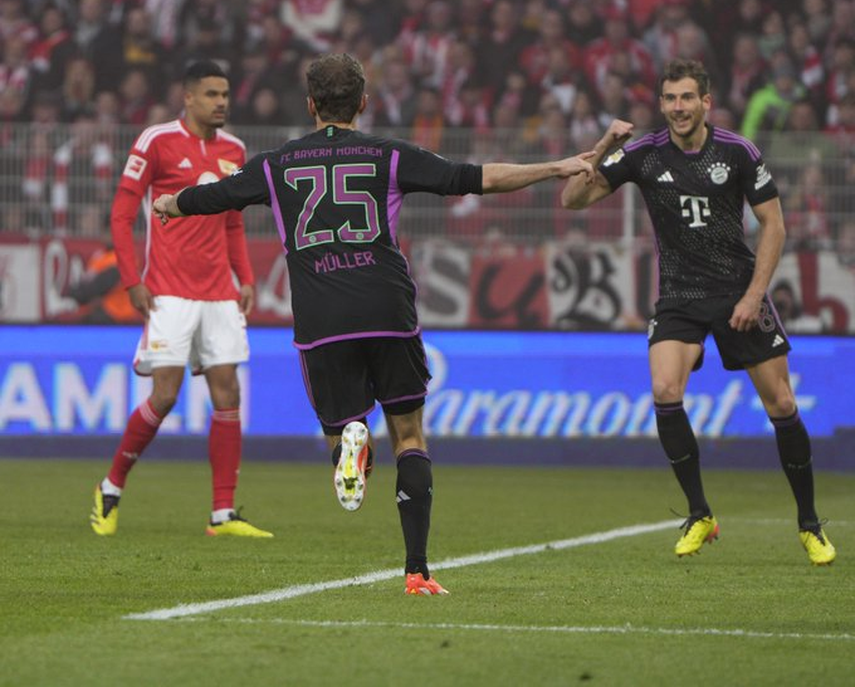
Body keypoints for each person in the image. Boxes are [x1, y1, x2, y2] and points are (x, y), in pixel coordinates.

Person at [152, 53, 596, 594]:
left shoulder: (275, 165)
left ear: (311, 104)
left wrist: (175, 203)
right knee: (410, 435)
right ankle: (417, 570)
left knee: (338, 430)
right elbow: (474, 179)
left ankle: (347, 445)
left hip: (322, 318)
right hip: (388, 309)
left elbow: (218, 195)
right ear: (364, 102)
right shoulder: (389, 156)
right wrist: (555, 167)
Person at [561, 58, 835, 566]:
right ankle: (700, 513)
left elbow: (773, 226)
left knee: (780, 403)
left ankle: (809, 523)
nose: (678, 108)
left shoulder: (737, 152)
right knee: (665, 390)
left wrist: (754, 295)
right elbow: (572, 199)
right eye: (670, 98)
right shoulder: (643, 153)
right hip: (680, 295)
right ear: (661, 103)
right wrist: (604, 147)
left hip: (737, 291)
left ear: (706, 102)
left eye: (687, 98)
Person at [90, 60, 271, 539]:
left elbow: (233, 220)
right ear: (188, 98)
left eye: (226, 94)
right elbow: (121, 213)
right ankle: (111, 487)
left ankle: (222, 515)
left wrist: (245, 276)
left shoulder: (234, 149)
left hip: (219, 293)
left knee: (227, 394)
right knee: (165, 395)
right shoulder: (156, 141)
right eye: (212, 94)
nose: (222, 103)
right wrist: (131, 279)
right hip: (168, 290)